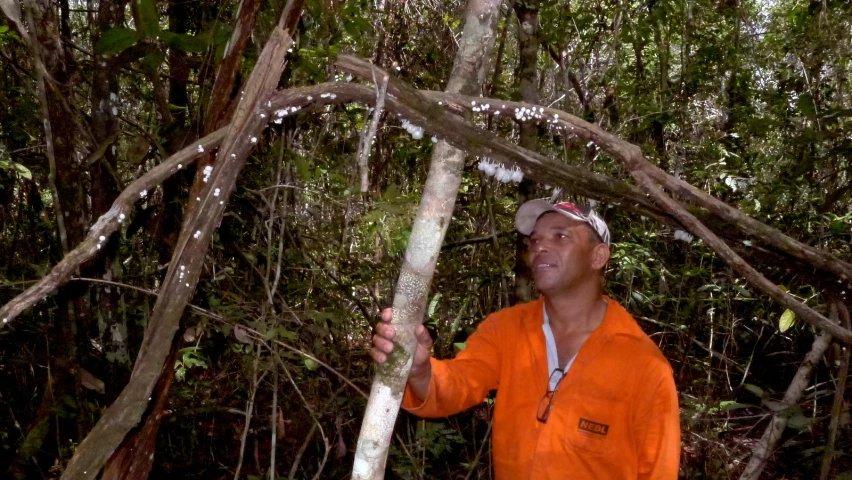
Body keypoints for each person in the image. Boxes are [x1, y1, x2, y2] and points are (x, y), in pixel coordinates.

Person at [371, 200, 681, 479]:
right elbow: (457, 384)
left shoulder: (643, 364)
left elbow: (658, 469)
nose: (539, 248)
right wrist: (421, 370)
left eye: (560, 236)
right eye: (535, 241)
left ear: (598, 256)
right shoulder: (506, 329)